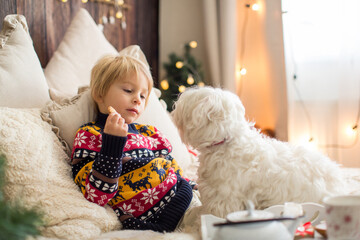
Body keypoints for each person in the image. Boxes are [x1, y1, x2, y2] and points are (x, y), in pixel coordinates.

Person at [70, 45, 196, 232]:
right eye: (128, 90)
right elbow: (96, 195)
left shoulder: (149, 133)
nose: (138, 99)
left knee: (185, 187)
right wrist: (112, 144)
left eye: (143, 95)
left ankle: (161, 227)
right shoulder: (90, 134)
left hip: (174, 196)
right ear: (99, 94)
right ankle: (154, 228)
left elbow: (170, 164)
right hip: (133, 204)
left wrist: (189, 182)